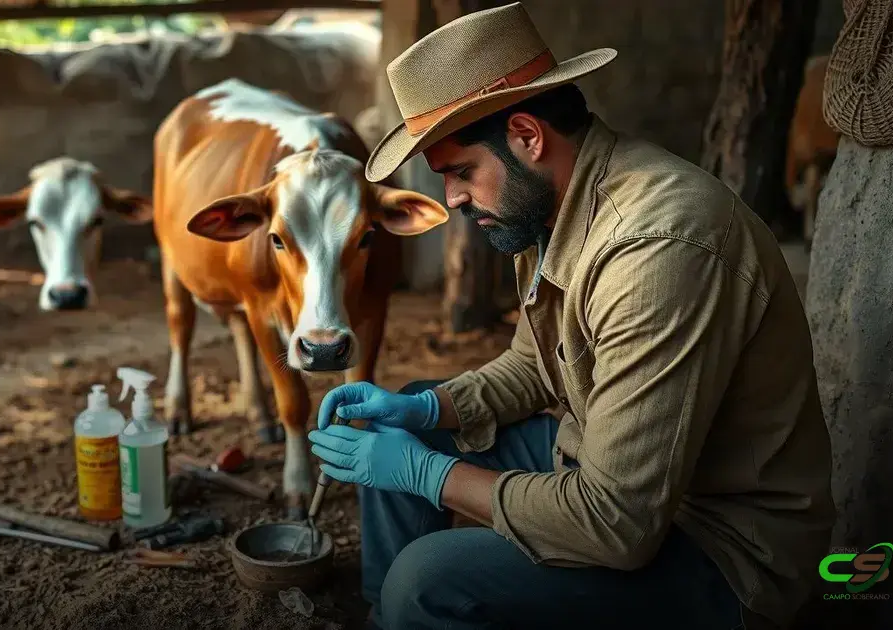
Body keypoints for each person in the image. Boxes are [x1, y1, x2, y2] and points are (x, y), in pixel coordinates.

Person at [307, 4, 836, 630]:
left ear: (527, 136)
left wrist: (428, 475)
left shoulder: (655, 250)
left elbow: (618, 523)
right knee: (413, 421)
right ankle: (385, 618)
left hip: (720, 545)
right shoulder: (543, 202)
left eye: (461, 172)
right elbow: (535, 363)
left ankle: (410, 609)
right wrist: (425, 410)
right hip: (607, 465)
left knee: (428, 580)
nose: (451, 198)